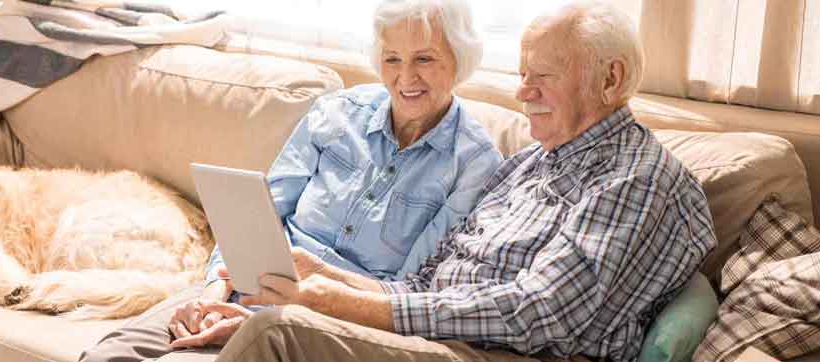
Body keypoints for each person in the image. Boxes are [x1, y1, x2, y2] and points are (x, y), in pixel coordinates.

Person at [151, 1, 718, 362]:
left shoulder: (636, 178)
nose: (521, 95)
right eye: (521, 76)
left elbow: (542, 312)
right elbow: (426, 282)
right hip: (435, 331)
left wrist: (343, 304)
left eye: (540, 77)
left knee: (272, 333)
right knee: (169, 331)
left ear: (610, 80)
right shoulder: (530, 164)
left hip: (497, 351)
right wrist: (326, 277)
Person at [79, 0, 502, 360]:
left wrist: (274, 315)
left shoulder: (475, 164)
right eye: (393, 58)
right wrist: (211, 294)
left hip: (328, 318)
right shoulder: (336, 114)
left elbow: (409, 294)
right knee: (110, 353)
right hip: (243, 284)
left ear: (459, 60)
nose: (405, 77)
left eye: (424, 59)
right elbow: (254, 217)